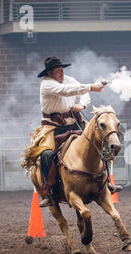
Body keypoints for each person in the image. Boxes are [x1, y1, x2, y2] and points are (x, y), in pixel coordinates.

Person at [27, 56, 121, 207]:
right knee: (46, 154)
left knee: (98, 142)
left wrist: (82, 106)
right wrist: (92, 86)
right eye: (57, 70)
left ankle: (106, 182)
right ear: (50, 73)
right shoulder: (47, 85)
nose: (61, 72)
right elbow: (66, 91)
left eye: (61, 69)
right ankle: (48, 191)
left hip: (75, 122)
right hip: (53, 127)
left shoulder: (69, 80)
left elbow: (82, 93)